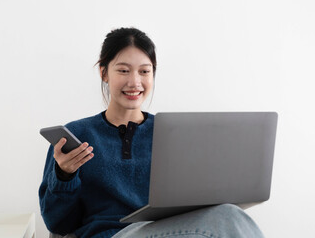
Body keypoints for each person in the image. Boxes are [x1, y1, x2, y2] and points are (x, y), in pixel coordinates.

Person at [39, 27, 265, 238]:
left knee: (227, 212)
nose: (135, 82)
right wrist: (65, 176)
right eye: (123, 70)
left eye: (144, 71)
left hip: (170, 231)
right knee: (227, 218)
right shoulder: (76, 136)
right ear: (104, 73)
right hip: (112, 234)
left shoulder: (172, 134)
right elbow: (57, 224)